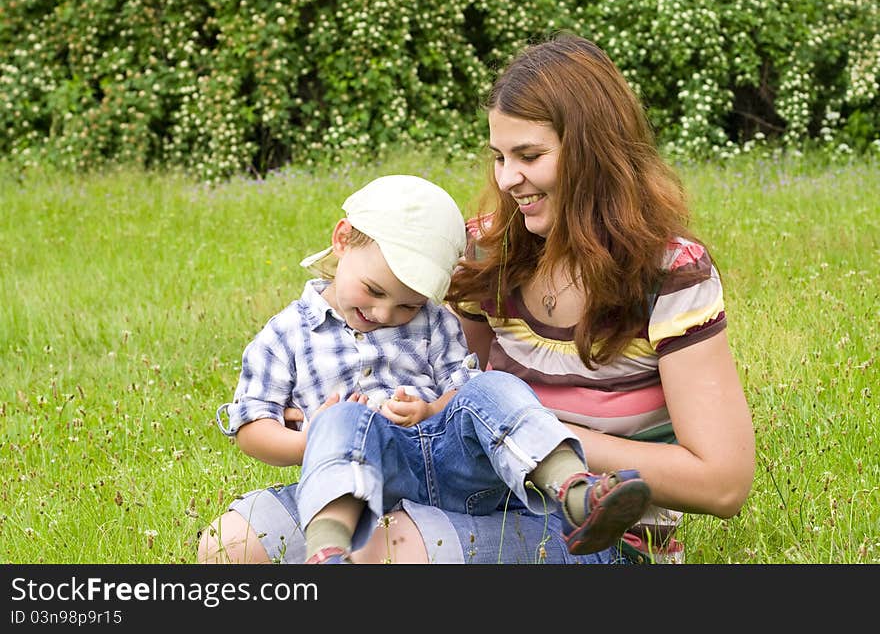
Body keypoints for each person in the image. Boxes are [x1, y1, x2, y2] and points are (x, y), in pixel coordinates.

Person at [198, 32, 755, 565]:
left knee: (386, 549)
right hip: (457, 488)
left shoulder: (669, 273)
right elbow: (435, 390)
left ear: (594, 154)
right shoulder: (486, 250)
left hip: (593, 536)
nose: (509, 177)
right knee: (232, 546)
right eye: (498, 156)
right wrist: (329, 420)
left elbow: (724, 483)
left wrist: (539, 438)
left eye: (530, 156)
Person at [204, 173, 651, 565]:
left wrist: (431, 408)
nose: (383, 313)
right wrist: (313, 439)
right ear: (342, 240)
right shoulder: (286, 335)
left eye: (407, 304)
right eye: (374, 290)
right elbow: (251, 427)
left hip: (450, 472)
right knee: (341, 419)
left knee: (493, 386)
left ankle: (575, 490)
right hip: (354, 485)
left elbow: (465, 398)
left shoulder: (435, 324)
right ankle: (328, 549)